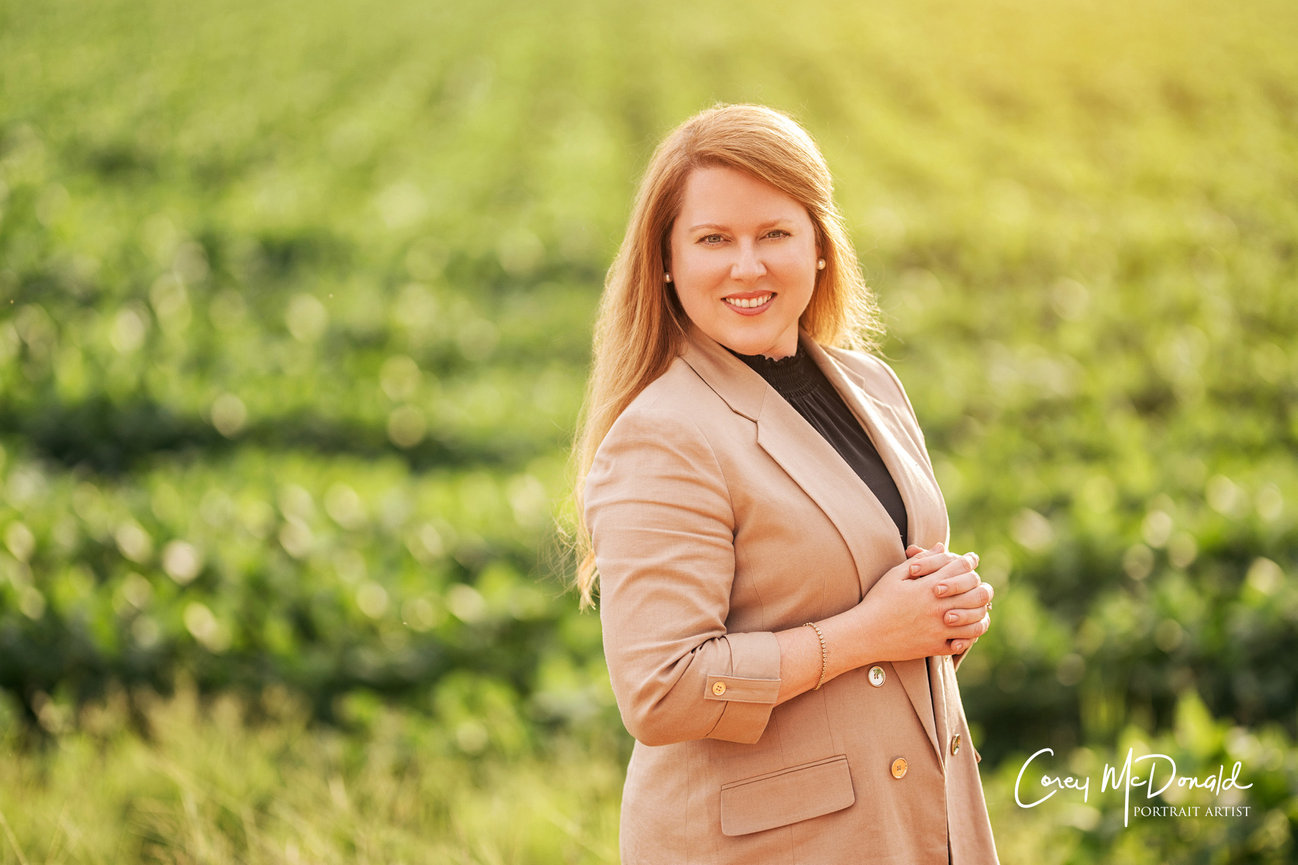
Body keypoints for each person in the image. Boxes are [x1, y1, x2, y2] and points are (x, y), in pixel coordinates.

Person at [573, 104, 999, 865]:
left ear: (820, 246)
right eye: (714, 239)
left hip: (913, 825)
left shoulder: (871, 384)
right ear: (666, 260)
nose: (748, 266)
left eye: (775, 233)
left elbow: (863, 598)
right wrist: (872, 631)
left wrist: (941, 614)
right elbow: (662, 689)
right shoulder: (664, 434)